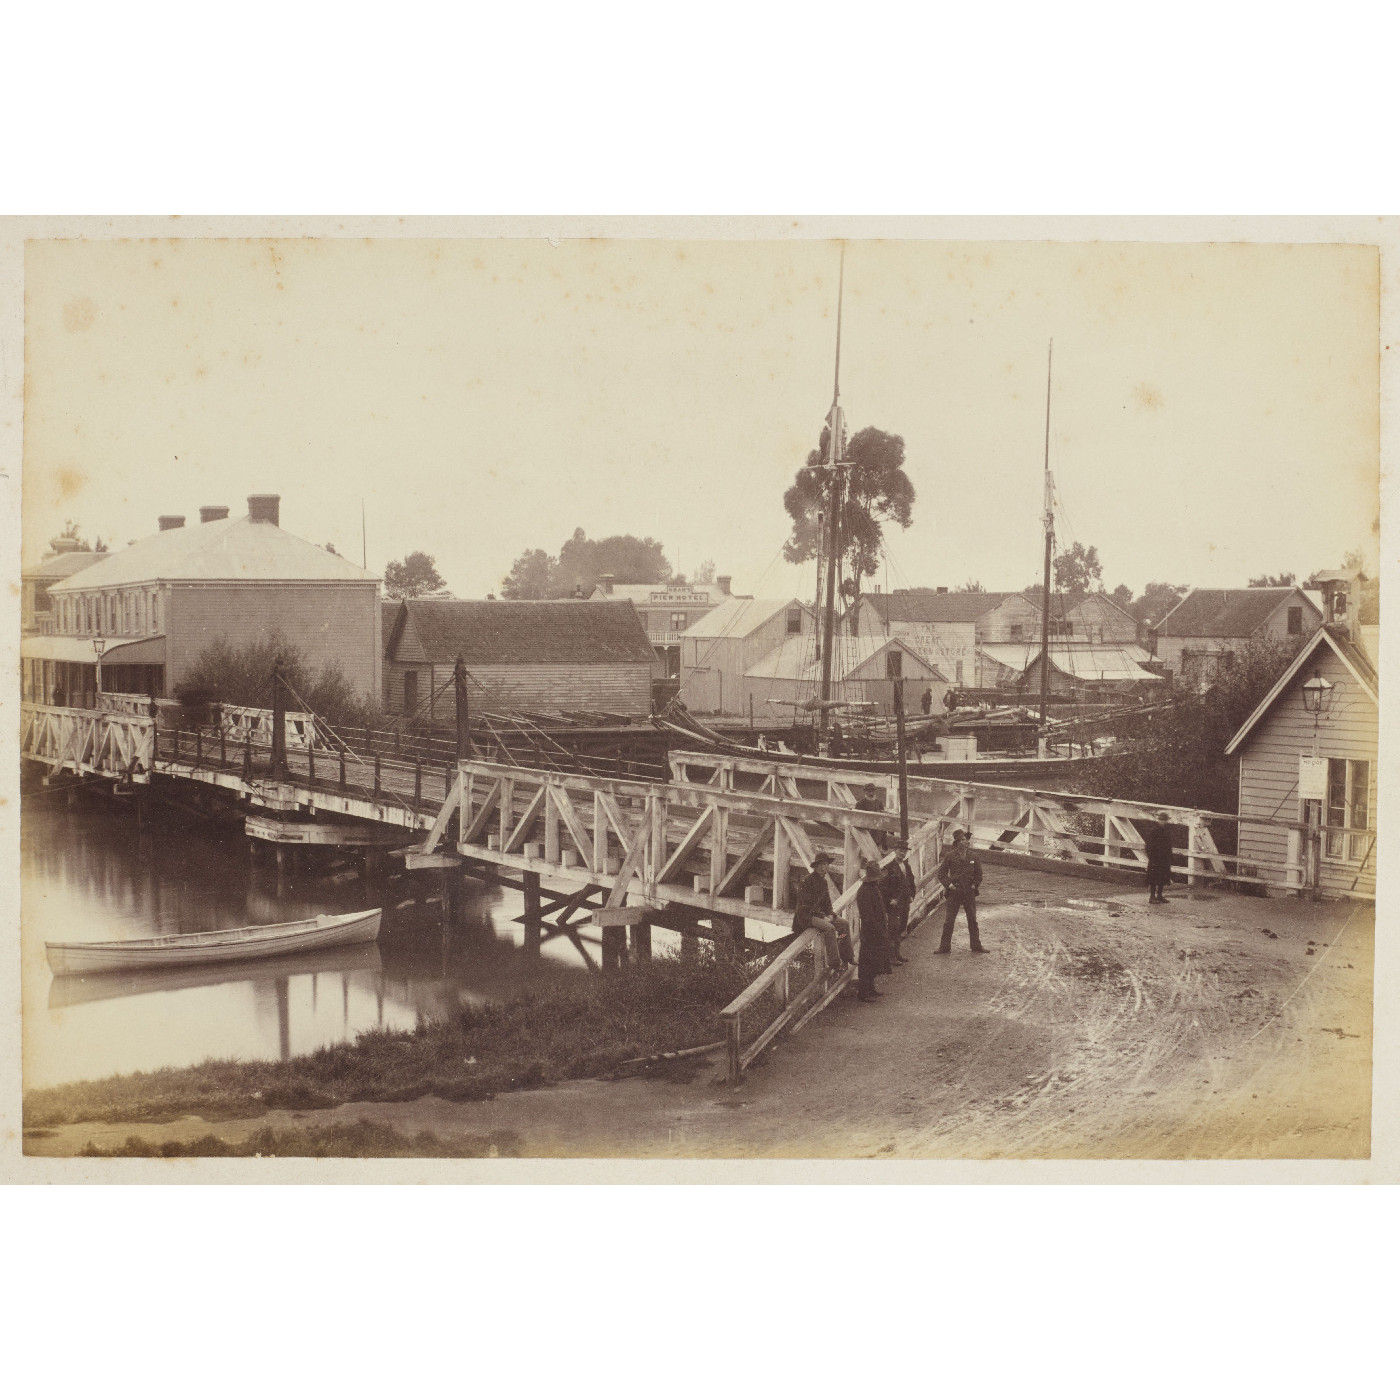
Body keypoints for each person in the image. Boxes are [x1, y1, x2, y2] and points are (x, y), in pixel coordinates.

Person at [792, 851, 853, 979]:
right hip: (805, 916)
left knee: (844, 924)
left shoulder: (824, 882)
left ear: (827, 866)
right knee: (829, 928)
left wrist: (830, 914)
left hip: (818, 915)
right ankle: (835, 964)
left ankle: (847, 956)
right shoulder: (806, 881)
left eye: (825, 865)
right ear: (815, 867)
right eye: (820, 865)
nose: (822, 868)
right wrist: (822, 916)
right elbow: (807, 906)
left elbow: (827, 904)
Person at [936, 829, 985, 953]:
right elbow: (941, 874)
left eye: (966, 839)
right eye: (963, 840)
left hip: (969, 892)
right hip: (955, 892)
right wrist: (949, 885)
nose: (966, 842)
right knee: (949, 921)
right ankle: (944, 947)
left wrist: (975, 885)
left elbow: (979, 874)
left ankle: (976, 946)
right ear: (957, 842)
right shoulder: (950, 856)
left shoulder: (974, 856)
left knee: (972, 920)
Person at [855, 858, 892, 1002]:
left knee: (874, 961)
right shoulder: (864, 891)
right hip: (870, 932)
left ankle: (871, 988)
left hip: (876, 930)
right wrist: (879, 930)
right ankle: (863, 992)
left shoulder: (873, 888)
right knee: (866, 961)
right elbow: (867, 916)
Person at [883, 839, 916, 962]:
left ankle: (897, 954)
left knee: (902, 927)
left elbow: (911, 882)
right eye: (900, 851)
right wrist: (890, 899)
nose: (902, 853)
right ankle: (891, 957)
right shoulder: (889, 867)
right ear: (895, 851)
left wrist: (912, 895)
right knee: (893, 929)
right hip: (894, 905)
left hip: (905, 902)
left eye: (904, 851)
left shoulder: (906, 865)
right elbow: (883, 887)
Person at [1144, 811, 1174, 904]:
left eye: (1165, 820)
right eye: (1161, 820)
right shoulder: (1154, 830)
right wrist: (1151, 856)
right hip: (1155, 857)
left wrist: (1169, 855)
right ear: (1159, 820)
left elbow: (1169, 844)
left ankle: (1160, 895)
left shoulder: (1166, 830)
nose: (1163, 822)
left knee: (1163, 877)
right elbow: (1148, 845)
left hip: (1164, 857)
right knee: (1153, 877)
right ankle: (1152, 897)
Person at [855, 782, 887, 852]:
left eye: (873, 791)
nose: (871, 793)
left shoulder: (879, 803)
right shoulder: (860, 804)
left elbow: (883, 820)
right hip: (865, 833)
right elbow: (857, 820)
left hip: (877, 833)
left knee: (878, 853)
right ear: (865, 792)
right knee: (864, 853)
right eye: (869, 791)